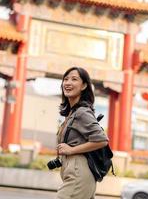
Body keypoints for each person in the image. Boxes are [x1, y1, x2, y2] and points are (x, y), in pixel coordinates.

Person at [55, 67, 108, 199]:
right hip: (74, 173)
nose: (68, 83)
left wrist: (71, 150)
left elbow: (102, 139)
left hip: (78, 173)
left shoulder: (82, 112)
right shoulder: (72, 113)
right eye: (65, 79)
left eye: (74, 79)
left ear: (84, 85)